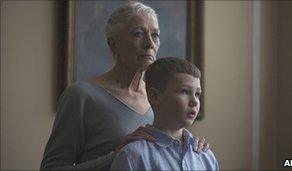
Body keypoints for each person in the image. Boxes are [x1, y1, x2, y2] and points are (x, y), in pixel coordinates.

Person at [40, 2, 208, 170]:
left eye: (155, 35)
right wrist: (114, 157)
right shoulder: (80, 96)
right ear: (113, 44)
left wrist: (190, 146)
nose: (150, 43)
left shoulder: (160, 96)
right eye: (138, 34)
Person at [111, 57, 219, 171]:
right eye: (184, 91)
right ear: (155, 97)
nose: (195, 102)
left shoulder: (206, 157)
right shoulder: (133, 156)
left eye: (197, 94)